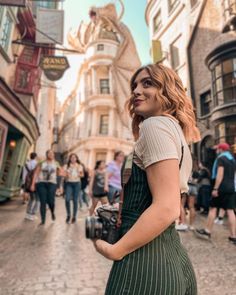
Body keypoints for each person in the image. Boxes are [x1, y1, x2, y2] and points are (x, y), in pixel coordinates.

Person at [93, 63, 200, 294]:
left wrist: (116, 250)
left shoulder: (154, 126)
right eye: (135, 85)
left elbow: (167, 207)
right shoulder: (175, 131)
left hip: (144, 264)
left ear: (168, 90)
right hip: (172, 256)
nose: (136, 91)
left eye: (148, 83)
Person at [196, 143, 236, 244]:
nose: (216, 150)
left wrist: (215, 188)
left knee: (213, 208)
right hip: (231, 188)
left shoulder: (221, 159)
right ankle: (233, 236)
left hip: (221, 188)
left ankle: (207, 231)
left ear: (221, 150)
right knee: (230, 211)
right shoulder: (232, 160)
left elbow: (220, 174)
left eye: (218, 149)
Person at [30, 150, 61, 225]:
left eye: (52, 153)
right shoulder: (41, 163)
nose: (51, 155)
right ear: (46, 155)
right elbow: (36, 174)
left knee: (51, 201)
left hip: (52, 183)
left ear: (54, 155)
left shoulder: (56, 163)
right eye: (49, 153)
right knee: (43, 202)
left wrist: (59, 186)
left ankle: (52, 212)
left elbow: (59, 175)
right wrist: (33, 184)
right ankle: (43, 220)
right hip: (41, 183)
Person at [63, 154, 84, 223]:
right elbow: (64, 175)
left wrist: (77, 173)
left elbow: (82, 175)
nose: (73, 159)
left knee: (75, 200)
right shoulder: (67, 166)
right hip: (69, 183)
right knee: (67, 199)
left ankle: (74, 216)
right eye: (71, 157)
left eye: (74, 157)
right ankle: (68, 215)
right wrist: (66, 175)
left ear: (76, 158)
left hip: (77, 183)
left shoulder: (79, 166)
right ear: (70, 159)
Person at [24, 152, 39, 221]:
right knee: (37, 199)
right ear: (35, 157)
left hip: (28, 183)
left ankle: (28, 214)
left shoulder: (27, 164)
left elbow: (25, 175)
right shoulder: (37, 164)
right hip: (35, 183)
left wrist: (25, 183)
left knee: (31, 199)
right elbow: (37, 174)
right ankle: (32, 214)